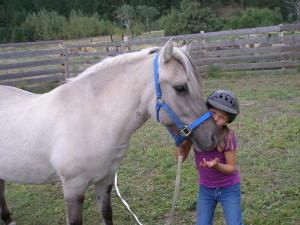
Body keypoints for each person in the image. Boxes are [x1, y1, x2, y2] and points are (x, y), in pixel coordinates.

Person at [175, 90, 243, 225]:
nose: (216, 119)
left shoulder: (228, 137)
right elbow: (180, 158)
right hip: (206, 189)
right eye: (213, 113)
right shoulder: (196, 133)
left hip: (229, 188)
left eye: (222, 117)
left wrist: (217, 165)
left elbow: (231, 168)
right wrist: (182, 140)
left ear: (228, 121)